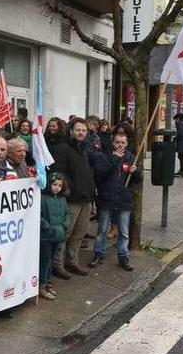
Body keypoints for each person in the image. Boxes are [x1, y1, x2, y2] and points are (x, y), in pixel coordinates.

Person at [49, 117, 99, 279]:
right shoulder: (63, 148)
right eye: (78, 130)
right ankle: (57, 264)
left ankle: (72, 262)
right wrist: (69, 191)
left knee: (79, 234)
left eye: (84, 130)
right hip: (72, 200)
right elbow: (59, 172)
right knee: (65, 233)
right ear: (71, 131)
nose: (81, 133)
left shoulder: (84, 148)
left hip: (86, 199)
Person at [90, 133, 141, 271]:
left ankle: (123, 256)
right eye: (117, 142)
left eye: (123, 143)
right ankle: (99, 253)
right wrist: (113, 160)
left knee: (123, 231)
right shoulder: (105, 156)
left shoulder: (131, 158)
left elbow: (138, 179)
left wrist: (135, 172)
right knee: (102, 229)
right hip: (107, 198)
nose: (120, 145)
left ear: (126, 144)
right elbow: (100, 174)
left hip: (123, 199)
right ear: (113, 143)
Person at [39, 173, 71, 300]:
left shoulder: (62, 200)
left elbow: (67, 214)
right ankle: (42, 284)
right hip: (46, 236)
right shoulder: (43, 198)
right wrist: (46, 226)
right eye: (54, 184)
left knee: (51, 260)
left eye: (59, 185)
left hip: (58, 234)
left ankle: (47, 282)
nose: (57, 187)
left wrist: (64, 225)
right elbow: (39, 215)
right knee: (45, 260)